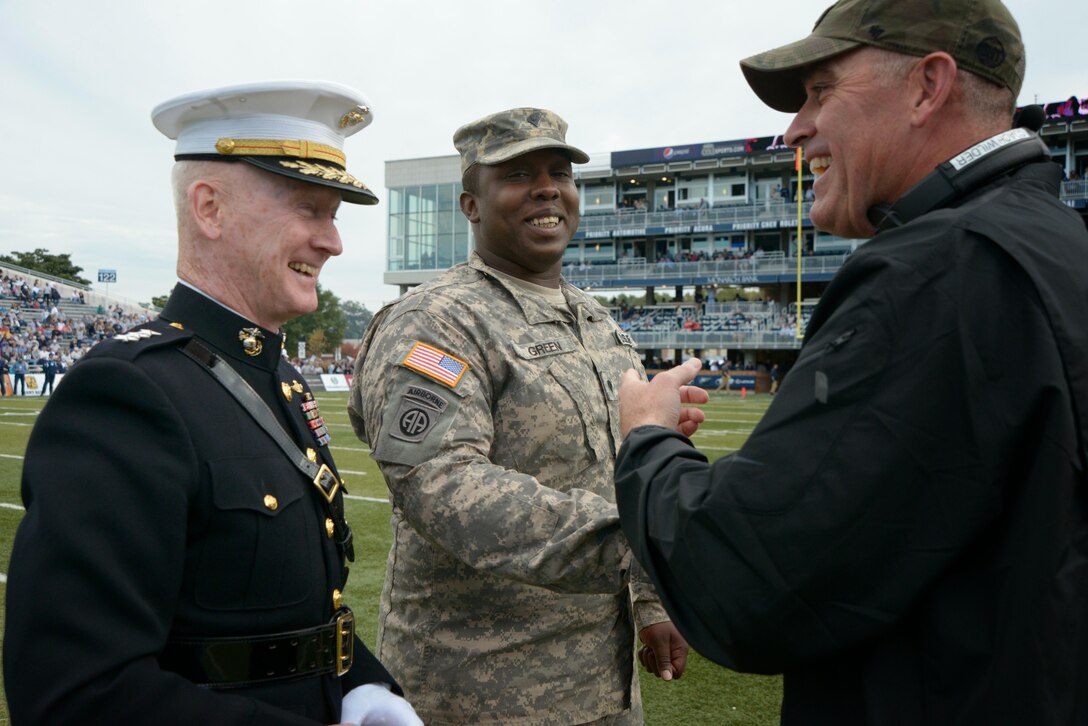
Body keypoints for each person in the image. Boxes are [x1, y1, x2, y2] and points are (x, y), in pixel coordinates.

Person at [613, 0, 1088, 723]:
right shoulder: (1058, 244)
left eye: (820, 91)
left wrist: (646, 442)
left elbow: (749, 578)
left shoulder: (938, 270)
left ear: (928, 87)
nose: (795, 128)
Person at [5, 81, 421, 726]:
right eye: (311, 209)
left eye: (334, 215)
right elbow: (75, 693)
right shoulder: (131, 391)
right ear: (210, 208)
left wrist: (363, 687)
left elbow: (288, 613)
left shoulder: (275, 375)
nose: (333, 242)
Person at [349, 108, 688, 724]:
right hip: (476, 691)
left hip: (602, 687)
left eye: (560, 172)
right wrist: (642, 543)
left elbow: (623, 467)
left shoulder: (598, 323)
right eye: (517, 175)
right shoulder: (436, 322)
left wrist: (651, 597)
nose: (546, 187)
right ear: (471, 205)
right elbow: (441, 483)